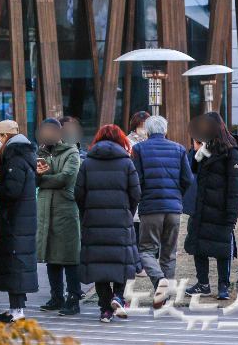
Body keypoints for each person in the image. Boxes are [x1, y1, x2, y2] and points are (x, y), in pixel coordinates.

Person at [75, 125, 141, 323]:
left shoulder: (88, 162)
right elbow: (135, 193)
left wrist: (86, 212)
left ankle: (105, 309)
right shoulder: (126, 163)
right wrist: (128, 210)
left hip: (94, 220)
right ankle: (118, 296)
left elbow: (79, 192)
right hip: (121, 219)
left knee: (98, 263)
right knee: (122, 260)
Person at [132, 115, 193, 307]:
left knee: (146, 251)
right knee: (169, 253)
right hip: (173, 208)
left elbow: (137, 180)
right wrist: (177, 196)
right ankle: (164, 295)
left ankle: (160, 282)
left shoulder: (139, 149)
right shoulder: (179, 149)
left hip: (150, 208)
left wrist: (140, 198)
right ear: (166, 131)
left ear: (147, 132)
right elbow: (188, 179)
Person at [184, 112, 238, 300]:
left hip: (220, 210)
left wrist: (232, 215)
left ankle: (223, 286)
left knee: (222, 250)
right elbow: (189, 173)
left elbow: (235, 188)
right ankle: (203, 284)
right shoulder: (202, 151)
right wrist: (194, 151)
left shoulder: (231, 152)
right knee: (198, 247)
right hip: (201, 208)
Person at [0, 120, 38, 324]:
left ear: (5, 137)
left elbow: (11, 191)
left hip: (17, 220)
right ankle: (15, 308)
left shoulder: (15, 159)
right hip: (19, 219)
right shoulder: (21, 155)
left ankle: (18, 311)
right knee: (15, 263)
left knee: (16, 264)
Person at [35, 118, 83, 316]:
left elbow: (67, 177)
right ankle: (56, 297)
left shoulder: (72, 152)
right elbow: (34, 177)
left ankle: (73, 299)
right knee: (51, 256)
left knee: (70, 257)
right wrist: (43, 178)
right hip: (45, 209)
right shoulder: (40, 152)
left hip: (65, 209)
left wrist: (43, 179)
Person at [126, 111, 150, 277]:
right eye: (140, 126)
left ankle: (144, 263)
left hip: (148, 190)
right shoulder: (127, 142)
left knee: (146, 230)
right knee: (134, 229)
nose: (143, 130)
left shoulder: (151, 142)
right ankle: (137, 264)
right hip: (134, 188)